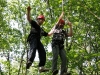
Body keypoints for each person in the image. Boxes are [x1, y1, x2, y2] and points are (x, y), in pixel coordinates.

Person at [26, 6, 49, 72]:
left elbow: (48, 34)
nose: (42, 21)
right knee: (33, 47)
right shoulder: (35, 24)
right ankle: (30, 61)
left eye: (43, 20)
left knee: (43, 51)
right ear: (38, 19)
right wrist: (28, 11)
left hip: (38, 40)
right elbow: (28, 19)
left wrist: (54, 28)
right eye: (41, 19)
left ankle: (41, 67)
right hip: (33, 38)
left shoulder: (41, 30)